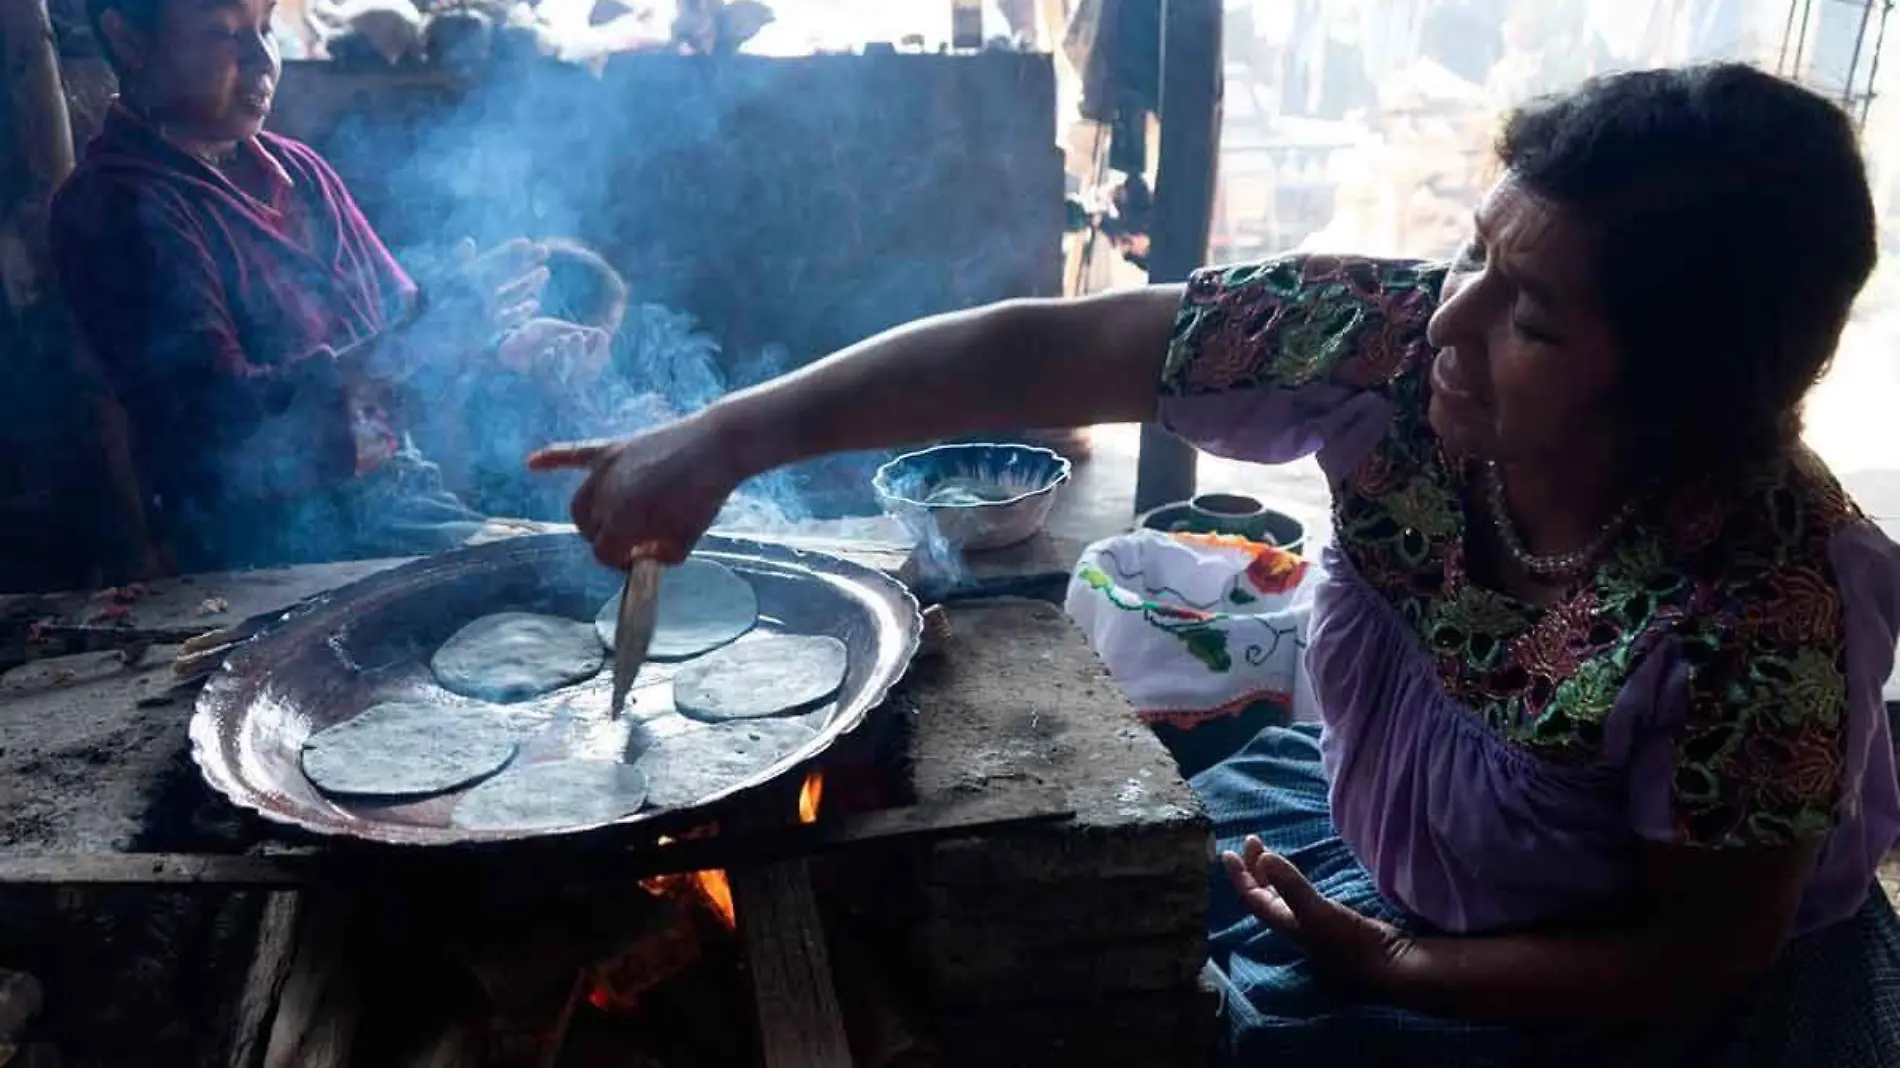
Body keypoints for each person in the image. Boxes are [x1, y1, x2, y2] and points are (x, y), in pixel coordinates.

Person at [534, 64, 1900, 1063]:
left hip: (1632, 1009)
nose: (1451, 317)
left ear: (1680, 389)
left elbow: (1695, 951)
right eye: (1476, 252)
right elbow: (1053, 348)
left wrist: (1402, 967)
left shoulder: (1766, 611)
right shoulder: (1395, 335)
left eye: (1531, 316)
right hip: (1397, 877)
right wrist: (724, 440)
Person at [52, 0, 605, 572]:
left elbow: (400, 332)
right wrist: (424, 335)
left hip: (400, 504)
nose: (262, 59)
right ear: (129, 41)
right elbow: (220, 427)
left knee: (600, 566)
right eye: (224, 34)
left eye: (265, 31)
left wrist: (497, 350)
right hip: (264, 549)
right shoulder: (116, 205)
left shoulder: (303, 173)